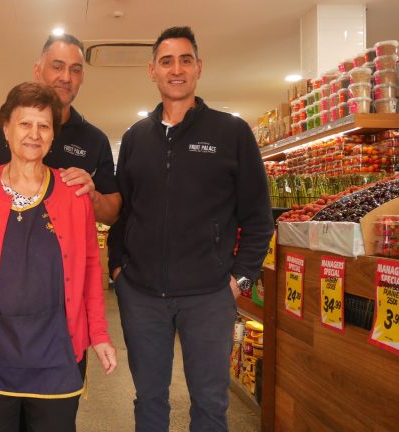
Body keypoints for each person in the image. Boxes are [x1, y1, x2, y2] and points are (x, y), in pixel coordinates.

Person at [112, 26, 274, 431]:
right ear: (152, 70)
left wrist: (239, 278)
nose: (176, 69)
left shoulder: (231, 133)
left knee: (209, 404)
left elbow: (258, 217)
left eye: (185, 60)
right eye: (167, 61)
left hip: (209, 297)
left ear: (199, 67)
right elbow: (122, 212)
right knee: (149, 400)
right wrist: (119, 269)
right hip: (143, 296)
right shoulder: (135, 139)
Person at [0, 82, 117, 432]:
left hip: (57, 354)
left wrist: (98, 333)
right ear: (5, 129)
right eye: (25, 124)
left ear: (53, 136)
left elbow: (88, 265)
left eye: (44, 125)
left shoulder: (74, 192)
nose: (34, 134)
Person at [0, 34, 120, 225]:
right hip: (2, 247)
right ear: (37, 71)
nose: (66, 77)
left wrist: (91, 195)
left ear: (82, 78)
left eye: (75, 70)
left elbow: (112, 213)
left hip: (64, 251)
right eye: (57, 66)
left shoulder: (95, 140)